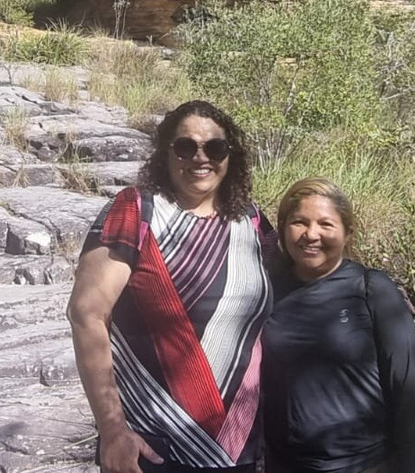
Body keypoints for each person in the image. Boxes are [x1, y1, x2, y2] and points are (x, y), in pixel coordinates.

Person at [68, 100, 273, 473]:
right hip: (153, 448)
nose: (200, 157)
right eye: (185, 146)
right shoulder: (136, 209)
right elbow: (86, 314)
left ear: (231, 155)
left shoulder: (251, 219)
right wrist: (112, 429)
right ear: (166, 152)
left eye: (215, 147)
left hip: (238, 446)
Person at [262, 178, 415, 473]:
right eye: (299, 222)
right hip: (285, 465)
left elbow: (408, 392)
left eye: (325, 224)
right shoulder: (265, 291)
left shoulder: (372, 290)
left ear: (347, 232)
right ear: (283, 227)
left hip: (365, 465)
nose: (311, 234)